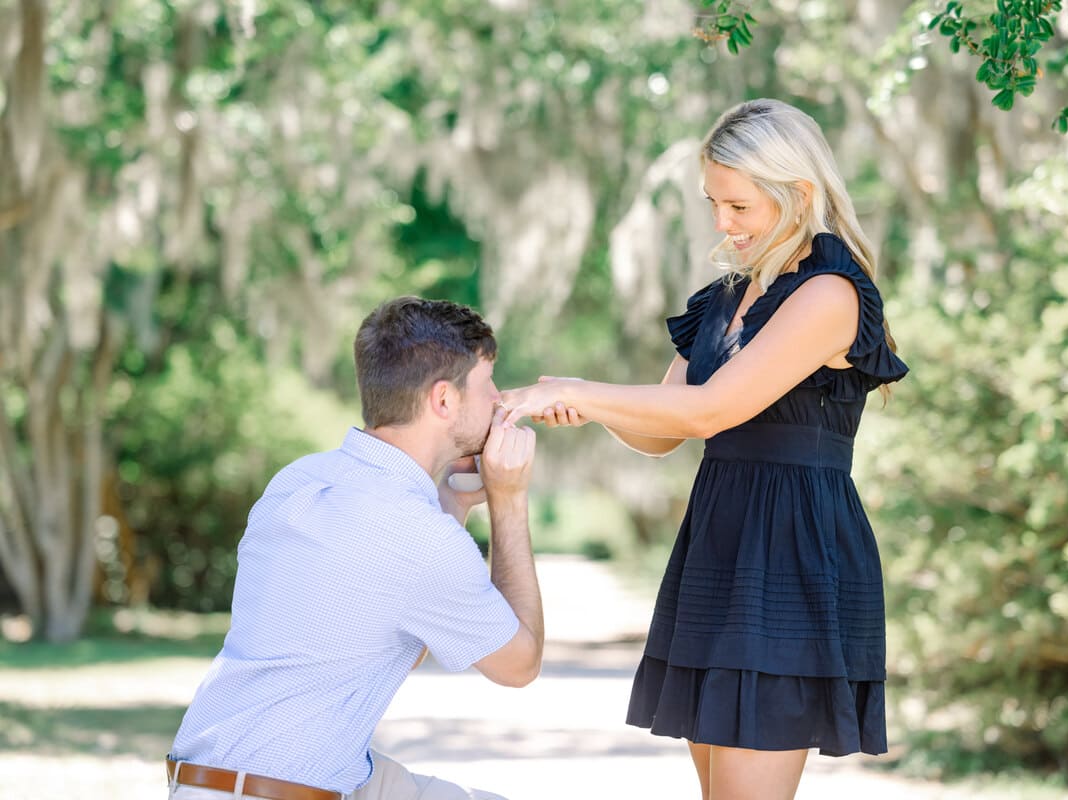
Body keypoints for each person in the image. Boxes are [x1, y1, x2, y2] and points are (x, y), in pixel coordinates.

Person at [500, 98, 909, 800]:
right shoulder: (723, 301)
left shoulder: (830, 294)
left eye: (739, 206)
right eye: (714, 203)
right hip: (719, 545)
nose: (722, 223)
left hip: (793, 552)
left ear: (799, 194)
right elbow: (661, 431)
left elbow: (711, 410)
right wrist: (587, 410)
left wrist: (585, 387)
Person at [167, 297, 541, 800]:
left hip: (211, 779)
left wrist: (452, 502)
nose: (498, 401)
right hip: (280, 792)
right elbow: (520, 664)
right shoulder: (416, 534)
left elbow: (383, 637)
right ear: (444, 401)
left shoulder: (298, 480)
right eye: (487, 384)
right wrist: (509, 500)